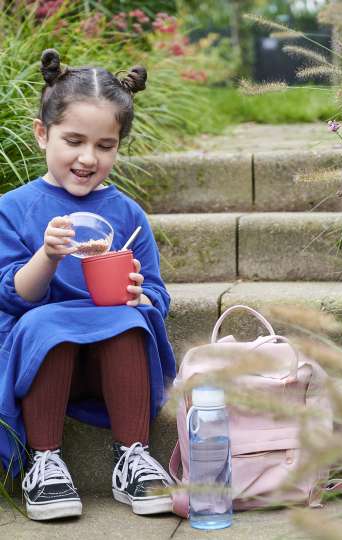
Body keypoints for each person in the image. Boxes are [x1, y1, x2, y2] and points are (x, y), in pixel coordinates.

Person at [0, 49, 177, 521]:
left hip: (111, 363)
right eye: (73, 140)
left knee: (127, 318)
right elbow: (12, 295)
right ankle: (44, 460)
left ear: (119, 145)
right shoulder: (14, 208)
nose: (87, 157)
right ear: (43, 134)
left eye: (105, 145)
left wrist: (142, 294)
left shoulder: (126, 214)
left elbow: (158, 294)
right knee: (45, 322)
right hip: (40, 361)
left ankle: (133, 455)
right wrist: (48, 255)